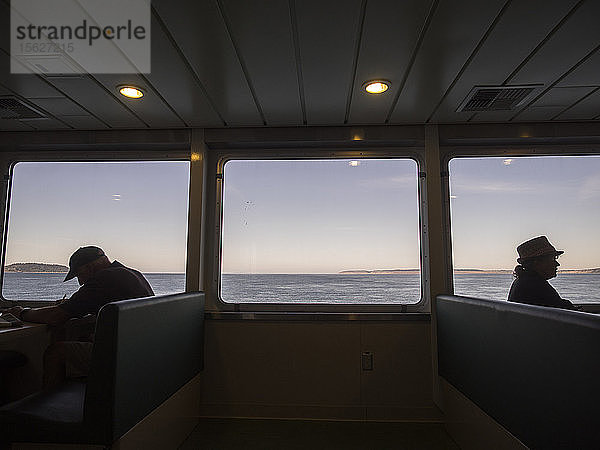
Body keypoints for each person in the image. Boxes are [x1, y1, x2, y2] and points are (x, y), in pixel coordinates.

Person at [7, 246, 154, 388]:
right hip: (142, 350)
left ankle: (51, 407)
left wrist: (21, 312)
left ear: (89, 268)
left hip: (123, 357)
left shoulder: (104, 278)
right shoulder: (131, 273)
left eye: (79, 275)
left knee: (56, 352)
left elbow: (56, 316)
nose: (80, 282)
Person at [508, 236, 576, 310]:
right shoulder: (536, 285)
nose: (557, 264)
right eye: (552, 259)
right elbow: (563, 311)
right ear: (537, 262)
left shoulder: (523, 281)